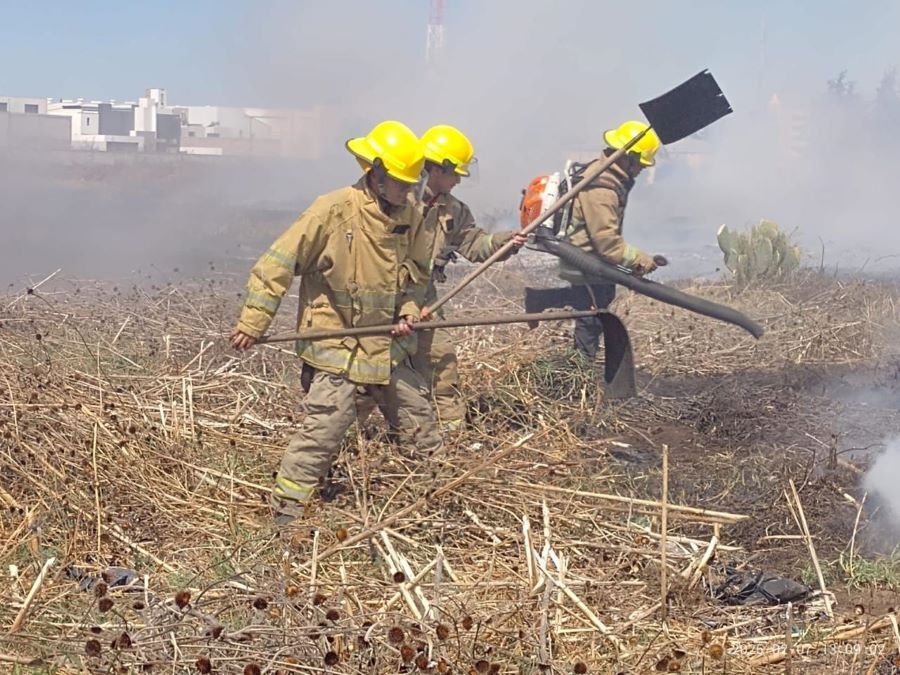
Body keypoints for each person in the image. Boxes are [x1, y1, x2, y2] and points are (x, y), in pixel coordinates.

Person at [230, 120, 442, 525]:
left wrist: (408, 312)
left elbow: (418, 275)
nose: (408, 191)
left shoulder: (412, 217)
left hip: (388, 350)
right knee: (322, 435)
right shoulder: (333, 210)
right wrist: (253, 323)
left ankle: (436, 508)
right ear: (375, 172)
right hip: (337, 349)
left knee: (421, 431)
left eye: (411, 184)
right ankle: (285, 519)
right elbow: (275, 264)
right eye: (400, 182)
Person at [413, 125, 527, 431]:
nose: (459, 179)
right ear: (438, 168)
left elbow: (476, 246)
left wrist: (505, 242)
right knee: (372, 371)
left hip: (424, 297)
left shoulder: (453, 209)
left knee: (440, 361)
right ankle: (354, 435)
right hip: (385, 296)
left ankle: (451, 435)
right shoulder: (400, 200)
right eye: (455, 173)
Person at [559, 120, 666, 360]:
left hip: (592, 263)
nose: (641, 170)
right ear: (629, 158)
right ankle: (580, 373)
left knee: (593, 314)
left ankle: (583, 364)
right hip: (586, 265)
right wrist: (638, 259)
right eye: (641, 164)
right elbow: (606, 242)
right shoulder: (602, 189)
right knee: (590, 319)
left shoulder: (606, 176)